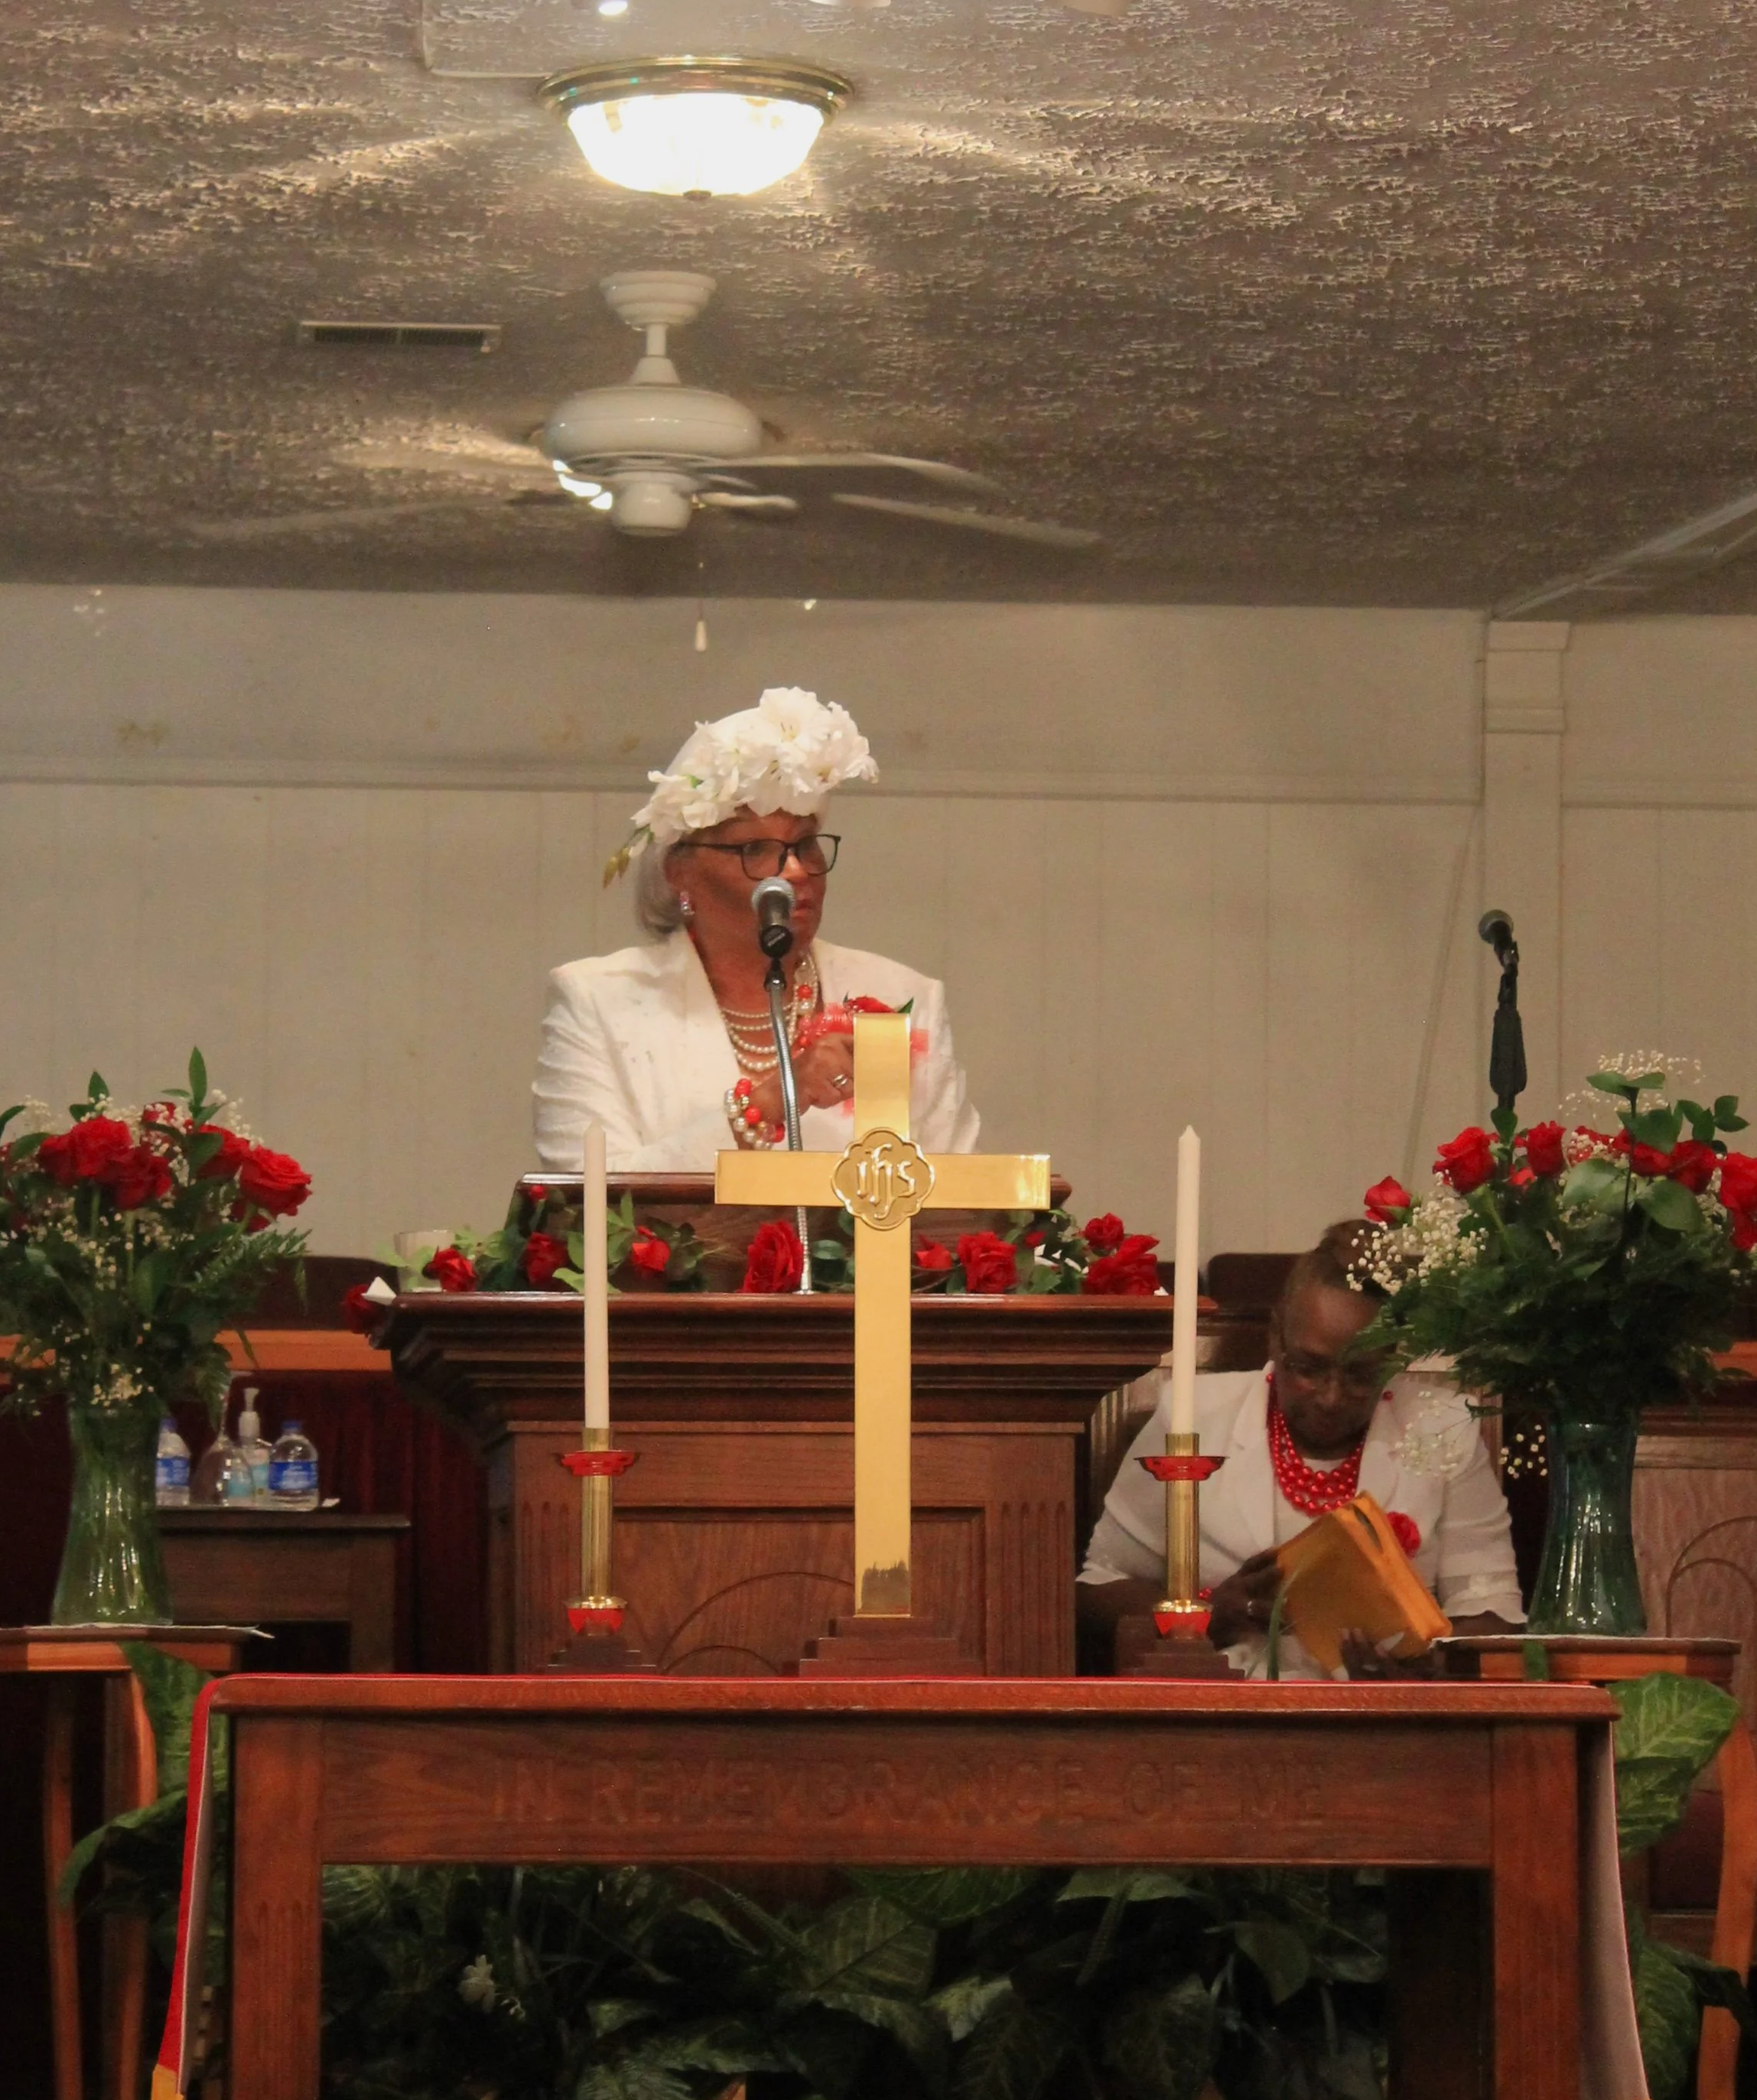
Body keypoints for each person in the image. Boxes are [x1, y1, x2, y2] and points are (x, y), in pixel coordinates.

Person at [532, 686, 979, 1171]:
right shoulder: (598, 1001)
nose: (794, 872)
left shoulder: (902, 994)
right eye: (756, 851)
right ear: (679, 872)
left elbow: (960, 1194)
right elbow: (591, 1207)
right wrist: (769, 1103)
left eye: (805, 844)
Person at [1077, 1220, 1524, 1676]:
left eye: (1360, 1374)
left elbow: (1492, 1612)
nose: (1331, 1397)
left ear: (1396, 1357)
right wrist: (1203, 1615)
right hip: (1225, 1714)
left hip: (1387, 1729)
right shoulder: (1193, 1419)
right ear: (1276, 1338)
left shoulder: (1444, 1428)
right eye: (1309, 1368)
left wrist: (1422, 1671)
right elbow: (1100, 1587)